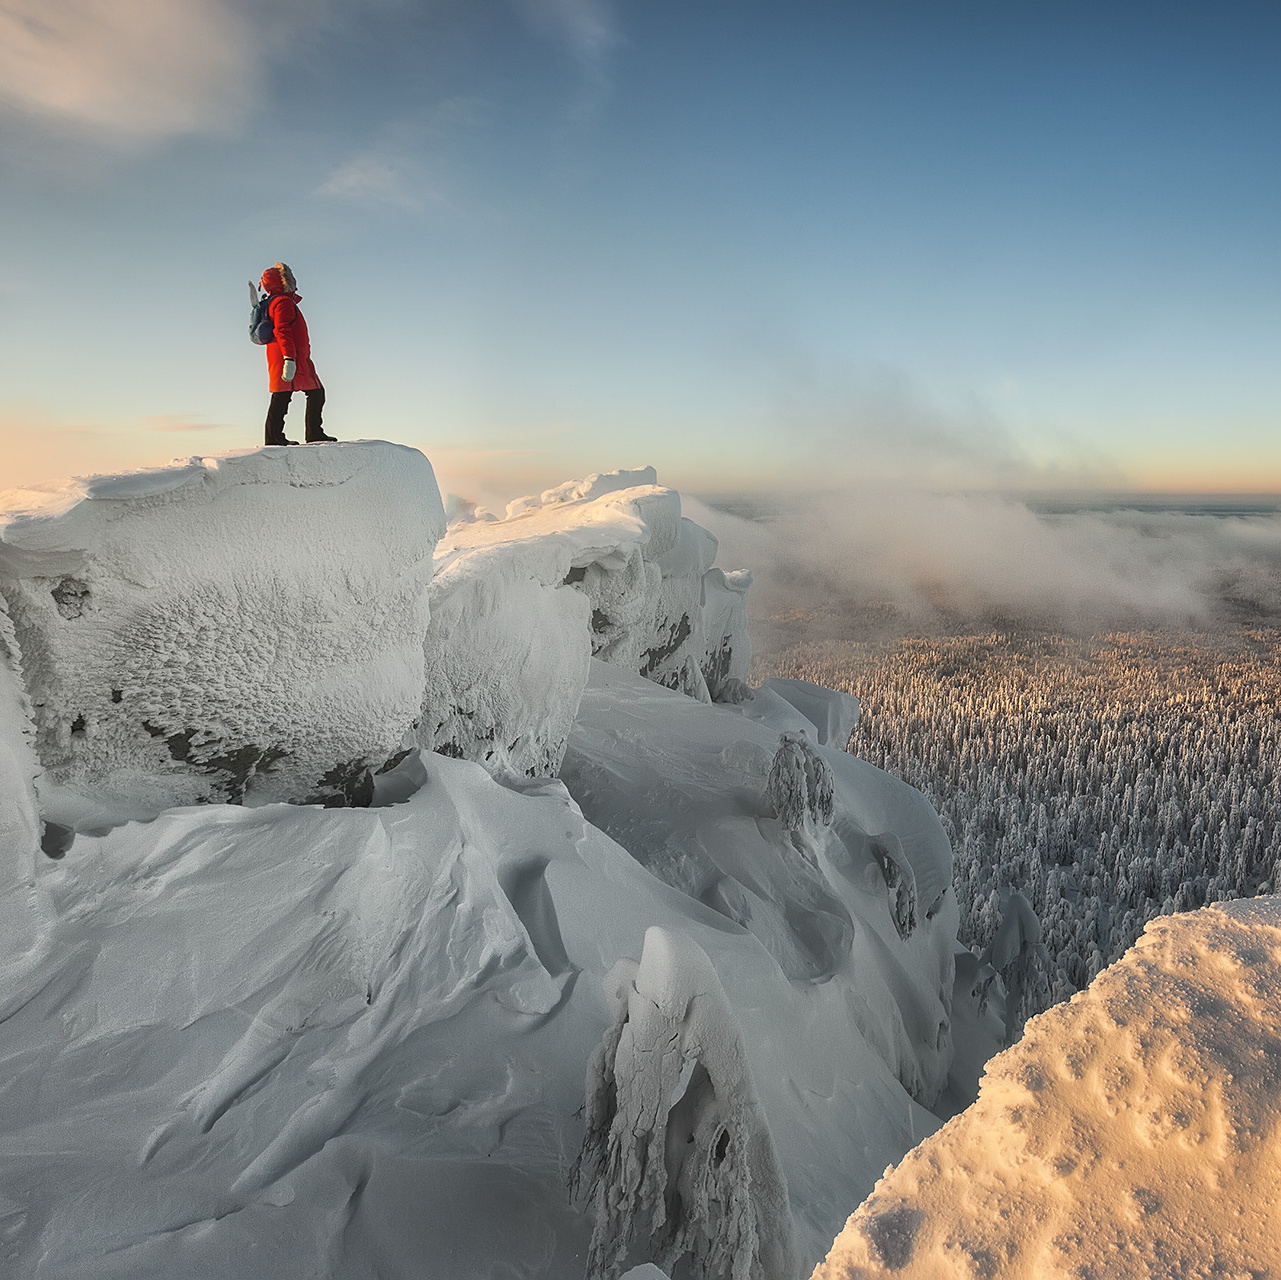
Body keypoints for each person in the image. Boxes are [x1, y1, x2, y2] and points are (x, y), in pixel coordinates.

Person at [259, 262, 336, 445]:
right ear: (283, 281)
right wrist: (289, 358)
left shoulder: (277, 301)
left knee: (283, 395)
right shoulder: (283, 302)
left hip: (288, 356)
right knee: (314, 393)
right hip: (291, 356)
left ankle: (275, 437)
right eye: (290, 277)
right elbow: (282, 330)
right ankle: (312, 434)